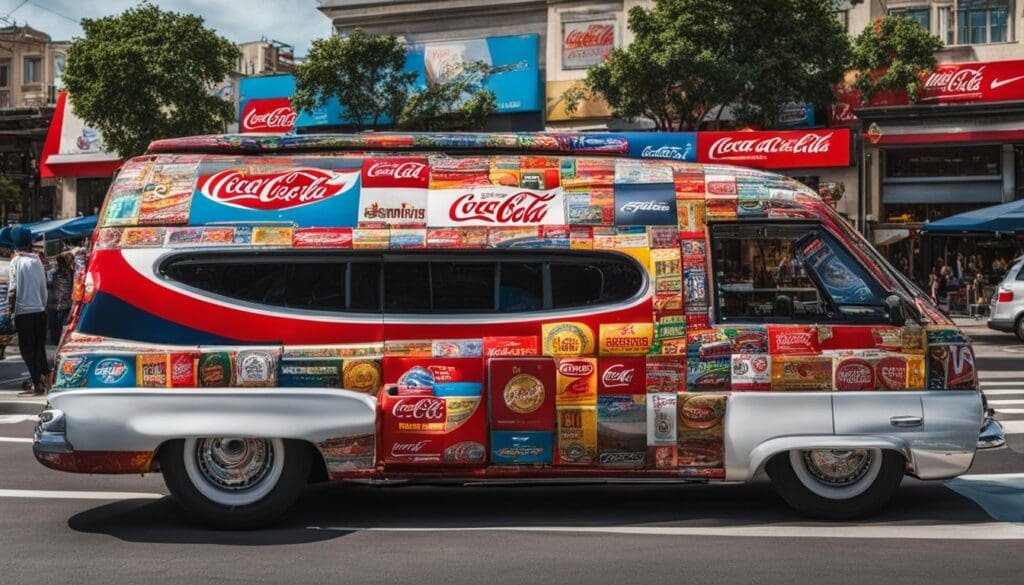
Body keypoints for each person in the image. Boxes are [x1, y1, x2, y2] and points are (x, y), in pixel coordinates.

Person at [8, 226, 49, 395]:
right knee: (39, 348)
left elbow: (12, 290)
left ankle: (37, 383)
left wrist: (10, 314)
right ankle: (46, 381)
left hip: (23, 313)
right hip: (39, 311)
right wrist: (42, 306)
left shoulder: (16, 262)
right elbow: (43, 289)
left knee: (27, 350)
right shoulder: (37, 260)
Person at [47, 251, 74, 345]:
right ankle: (62, 340)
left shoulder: (56, 274)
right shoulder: (71, 273)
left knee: (57, 325)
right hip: (67, 303)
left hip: (58, 304)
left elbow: (51, 286)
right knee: (64, 324)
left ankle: (57, 340)